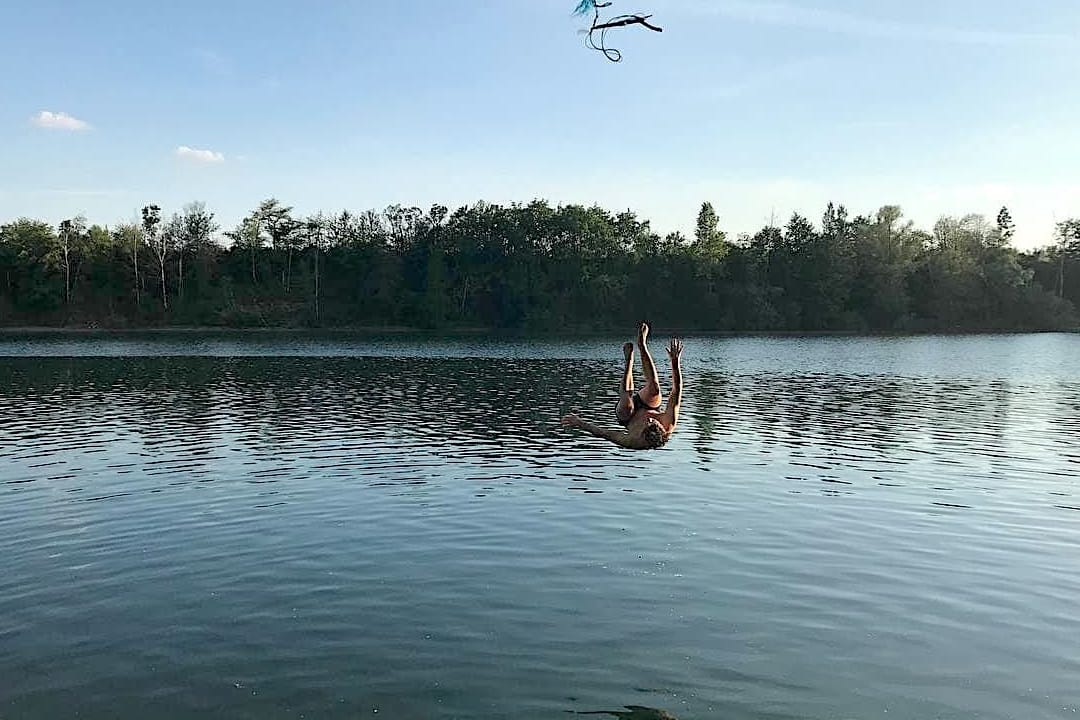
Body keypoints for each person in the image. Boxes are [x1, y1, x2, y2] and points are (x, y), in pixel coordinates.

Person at [562, 323, 683, 449]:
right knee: (654, 389)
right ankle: (642, 345)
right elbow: (676, 390)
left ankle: (629, 363)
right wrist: (675, 363)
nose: (650, 420)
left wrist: (579, 423)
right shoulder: (669, 423)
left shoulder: (632, 441)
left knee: (627, 402)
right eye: (654, 423)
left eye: (646, 425)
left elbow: (604, 433)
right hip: (648, 405)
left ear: (641, 436)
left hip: (628, 416)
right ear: (662, 430)